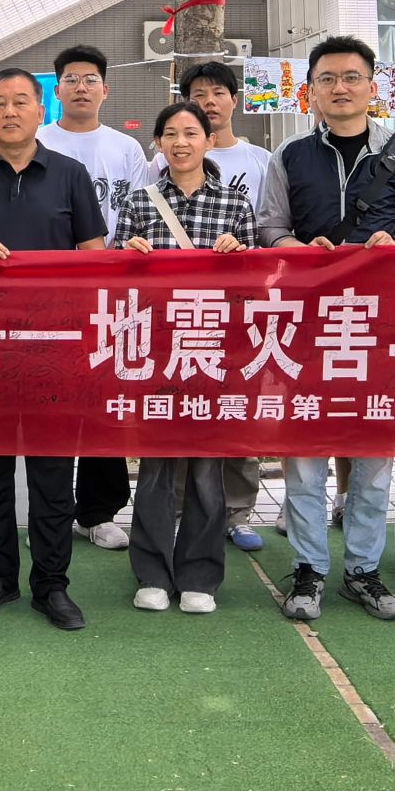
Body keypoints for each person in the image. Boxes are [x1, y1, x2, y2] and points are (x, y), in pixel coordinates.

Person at [0, 67, 107, 631]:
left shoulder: (70, 174)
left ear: (40, 109)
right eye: (0, 102)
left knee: (53, 476)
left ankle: (52, 586)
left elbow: (94, 253)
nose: (10, 111)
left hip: (54, 349)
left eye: (21, 101)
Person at [259, 35, 395, 624]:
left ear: (372, 86)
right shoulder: (289, 155)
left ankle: (364, 571)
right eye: (327, 79)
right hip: (306, 322)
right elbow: (270, 226)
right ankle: (309, 569)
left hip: (383, 324)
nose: (340, 88)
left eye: (351, 77)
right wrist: (298, 248)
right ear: (311, 90)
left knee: (373, 456)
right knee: (304, 455)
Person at [113, 101, 258, 614]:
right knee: (155, 466)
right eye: (170, 134)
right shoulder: (139, 202)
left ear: (209, 140)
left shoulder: (235, 204)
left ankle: (200, 575)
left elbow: (256, 287)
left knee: (206, 468)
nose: (181, 142)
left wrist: (240, 255)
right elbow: (115, 279)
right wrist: (127, 257)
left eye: (191, 133)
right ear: (158, 143)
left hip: (214, 352)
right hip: (156, 353)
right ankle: (152, 572)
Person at [164, 59, 277, 553]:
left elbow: (266, 239)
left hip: (235, 317)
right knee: (177, 415)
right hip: (173, 319)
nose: (209, 102)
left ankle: (237, 513)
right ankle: (179, 511)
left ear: (235, 100)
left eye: (218, 93)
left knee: (237, 413)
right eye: (198, 94)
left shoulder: (261, 161)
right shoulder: (159, 171)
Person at [36, 44, 146, 553]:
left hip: (111, 292)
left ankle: (98, 512)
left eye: (91, 79)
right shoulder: (37, 141)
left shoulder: (126, 149)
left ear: (106, 89)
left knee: (105, 401)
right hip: (48, 293)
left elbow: (142, 213)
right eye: (72, 79)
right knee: (52, 403)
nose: (81, 87)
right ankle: (50, 509)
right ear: (56, 90)